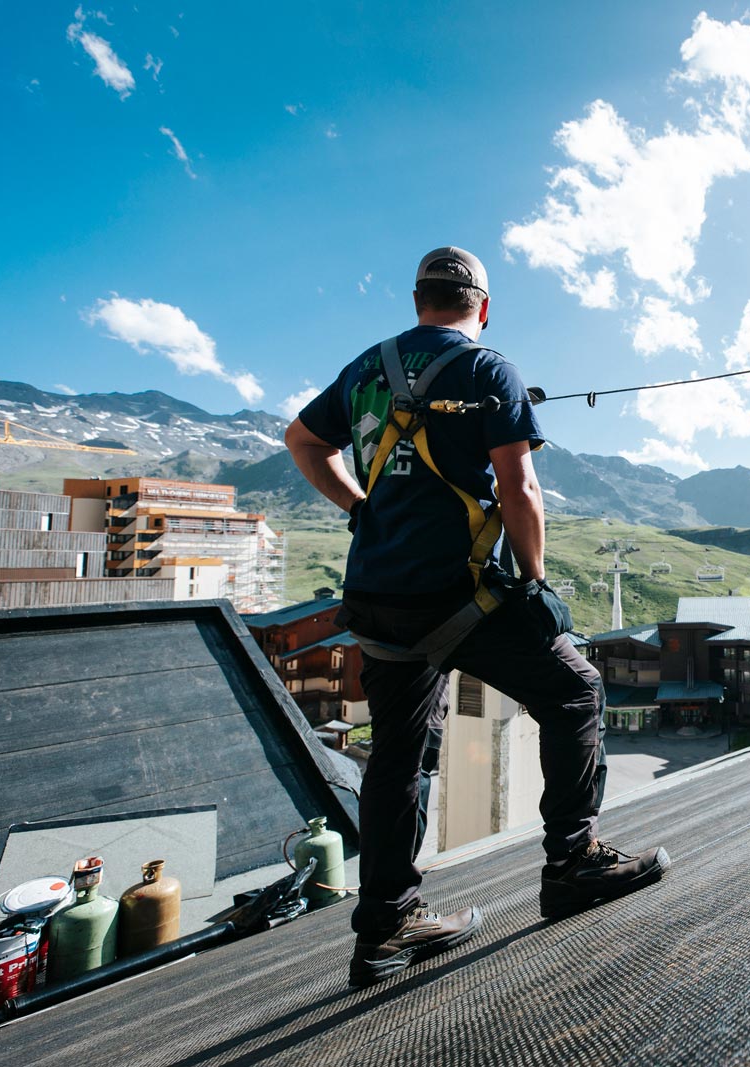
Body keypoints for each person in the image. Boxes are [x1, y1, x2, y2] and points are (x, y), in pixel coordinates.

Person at [285, 246, 670, 988]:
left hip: (378, 600)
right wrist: (535, 580)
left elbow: (303, 441)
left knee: (398, 754)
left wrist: (359, 507)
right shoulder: (488, 369)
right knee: (574, 691)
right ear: (482, 308)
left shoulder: (365, 370)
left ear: (418, 297)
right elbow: (519, 488)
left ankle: (386, 926)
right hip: (462, 599)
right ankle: (572, 861)